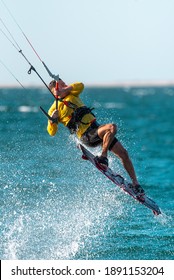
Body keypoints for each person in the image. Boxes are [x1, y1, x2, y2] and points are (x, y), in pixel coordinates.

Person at [47, 79, 144, 195]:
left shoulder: (73, 94)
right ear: (54, 92)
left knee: (123, 153)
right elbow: (51, 132)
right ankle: (103, 156)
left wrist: (64, 89)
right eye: (62, 86)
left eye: (65, 85)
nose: (66, 86)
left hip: (96, 130)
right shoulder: (54, 108)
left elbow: (80, 85)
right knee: (112, 127)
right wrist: (52, 120)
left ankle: (136, 184)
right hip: (86, 136)